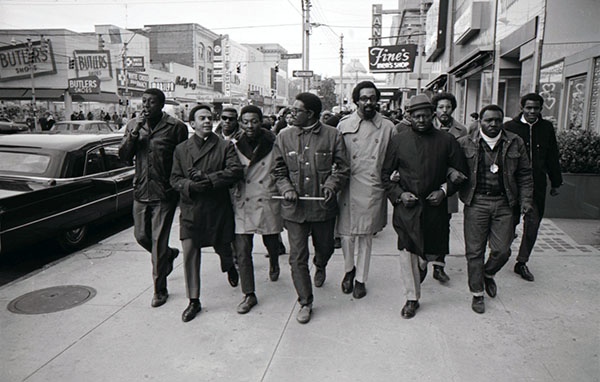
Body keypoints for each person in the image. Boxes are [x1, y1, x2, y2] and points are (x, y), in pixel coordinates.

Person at [381, 94, 467, 319]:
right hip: (407, 209)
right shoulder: (398, 141)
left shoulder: (447, 141)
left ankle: (424, 264)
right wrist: (399, 195)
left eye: (426, 115)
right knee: (407, 250)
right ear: (409, 116)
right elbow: (384, 175)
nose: (421, 120)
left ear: (433, 115)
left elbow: (461, 174)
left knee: (426, 254)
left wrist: (444, 192)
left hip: (434, 208)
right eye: (416, 116)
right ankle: (412, 298)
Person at [271, 92, 350, 324]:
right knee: (296, 257)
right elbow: (278, 169)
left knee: (324, 247)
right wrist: (285, 187)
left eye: (296, 111)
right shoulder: (283, 136)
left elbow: (342, 167)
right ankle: (305, 301)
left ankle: (321, 264)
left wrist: (331, 185)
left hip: (322, 208)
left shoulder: (333, 135)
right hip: (294, 210)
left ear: (311, 114)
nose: (291, 113)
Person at [170, 104, 243, 322]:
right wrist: (190, 186)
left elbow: (235, 171)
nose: (207, 121)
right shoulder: (181, 149)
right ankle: (194, 300)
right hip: (191, 209)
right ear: (192, 123)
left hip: (217, 209)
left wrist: (209, 179)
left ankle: (229, 265)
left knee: (223, 247)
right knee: (190, 252)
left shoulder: (224, 146)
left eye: (210, 118)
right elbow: (174, 179)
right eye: (201, 118)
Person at [458, 105, 533, 313]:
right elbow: (451, 167)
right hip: (476, 203)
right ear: (479, 121)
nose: (493, 124)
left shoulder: (514, 141)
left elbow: (525, 173)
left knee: (502, 250)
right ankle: (477, 293)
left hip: (505, 203)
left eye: (497, 120)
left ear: (503, 122)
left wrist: (526, 200)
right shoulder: (465, 143)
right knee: (474, 251)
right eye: (488, 120)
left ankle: (488, 273)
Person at [118, 88, 188, 308]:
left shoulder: (176, 127)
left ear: (161, 105)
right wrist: (133, 135)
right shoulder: (133, 125)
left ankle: (160, 289)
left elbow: (182, 159)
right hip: (141, 190)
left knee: (158, 241)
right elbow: (123, 156)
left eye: (151, 102)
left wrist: (178, 186)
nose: (145, 106)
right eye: (144, 102)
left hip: (164, 192)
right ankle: (169, 255)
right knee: (141, 236)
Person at [336, 81, 395, 299]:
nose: (368, 102)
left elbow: (394, 159)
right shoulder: (343, 125)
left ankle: (361, 279)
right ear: (356, 100)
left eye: (372, 98)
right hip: (348, 187)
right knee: (346, 235)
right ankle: (349, 269)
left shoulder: (388, 127)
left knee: (365, 236)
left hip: (372, 186)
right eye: (363, 98)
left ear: (377, 100)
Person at [503, 93, 562, 282]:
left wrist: (556, 181)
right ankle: (502, 250)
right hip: (512, 185)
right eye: (528, 108)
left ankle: (522, 262)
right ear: (522, 108)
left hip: (537, 185)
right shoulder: (509, 128)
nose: (532, 111)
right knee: (508, 224)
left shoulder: (546, 128)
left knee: (533, 225)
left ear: (540, 109)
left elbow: (552, 155)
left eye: (536, 108)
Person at [230, 105, 283, 314]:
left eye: (254, 121)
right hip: (243, 201)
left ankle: (275, 262)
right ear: (240, 123)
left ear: (261, 122)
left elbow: (280, 169)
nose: (250, 125)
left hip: (266, 197)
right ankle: (249, 294)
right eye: (245, 121)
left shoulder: (274, 143)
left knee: (270, 239)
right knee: (243, 251)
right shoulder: (233, 145)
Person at [429, 92, 468, 283]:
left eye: (448, 107)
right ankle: (421, 262)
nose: (445, 111)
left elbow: (462, 160)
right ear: (435, 109)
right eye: (441, 107)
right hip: (426, 181)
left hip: (448, 184)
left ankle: (439, 266)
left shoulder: (462, 130)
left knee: (444, 225)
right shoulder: (425, 126)